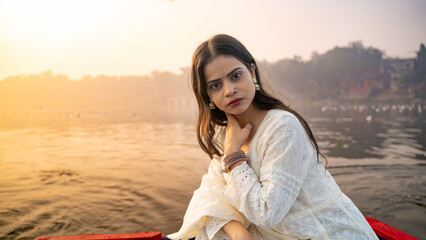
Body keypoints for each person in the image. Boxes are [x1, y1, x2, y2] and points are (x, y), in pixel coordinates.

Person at [168, 34, 378, 240]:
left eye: (236, 76)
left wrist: (233, 155)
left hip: (323, 233)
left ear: (252, 72)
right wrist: (237, 232)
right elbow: (211, 192)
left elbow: (267, 212)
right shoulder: (226, 132)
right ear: (208, 96)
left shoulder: (282, 127)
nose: (229, 90)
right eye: (215, 85)